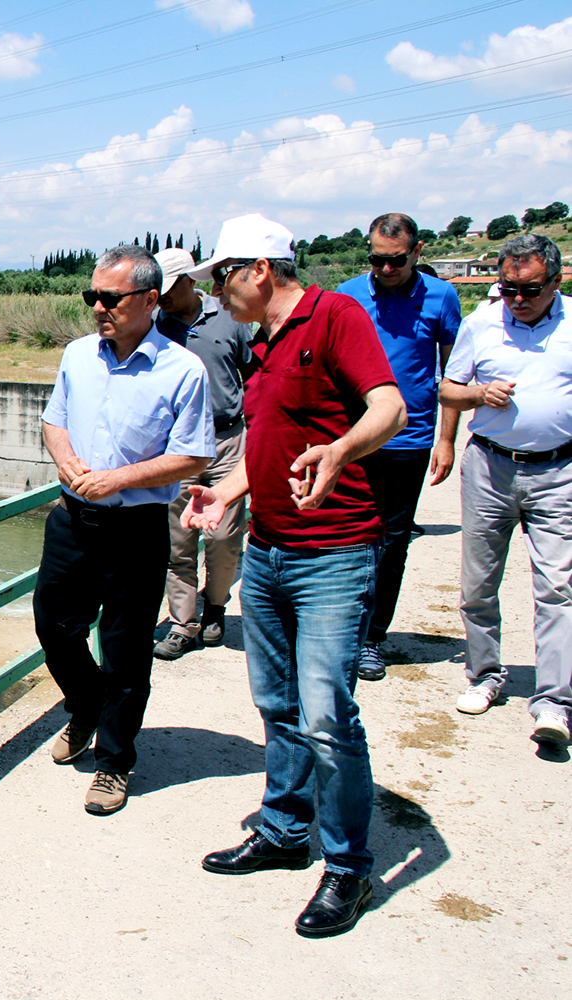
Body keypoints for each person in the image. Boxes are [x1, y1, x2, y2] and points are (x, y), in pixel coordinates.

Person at [182, 214, 406, 938]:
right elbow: (271, 441)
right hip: (272, 551)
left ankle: (348, 867)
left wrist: (341, 451)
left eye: (220, 276)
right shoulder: (262, 343)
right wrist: (228, 493)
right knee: (276, 705)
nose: (213, 291)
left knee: (326, 717)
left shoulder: (333, 315)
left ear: (259, 270)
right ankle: (284, 833)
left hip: (334, 556)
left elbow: (391, 408)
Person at [35, 244, 213, 816]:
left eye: (110, 298)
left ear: (150, 299)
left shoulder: (183, 370)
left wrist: (118, 480)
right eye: (92, 296)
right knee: (54, 626)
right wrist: (65, 462)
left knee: (125, 650)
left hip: (135, 527)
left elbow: (192, 458)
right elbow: (53, 420)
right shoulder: (78, 355)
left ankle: (114, 762)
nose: (97, 308)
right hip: (71, 520)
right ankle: (86, 705)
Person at [438, 233, 571, 748]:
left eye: (530, 290)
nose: (517, 299)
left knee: (558, 588)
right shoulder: (481, 325)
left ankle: (555, 702)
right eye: (508, 288)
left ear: (556, 282)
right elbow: (448, 388)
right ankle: (485, 674)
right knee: (478, 582)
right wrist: (476, 394)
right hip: (491, 467)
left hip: (559, 470)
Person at [337, 213, 462, 680]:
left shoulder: (442, 297)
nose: (385, 270)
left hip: (409, 439)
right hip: (351, 438)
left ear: (417, 252)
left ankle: (372, 638)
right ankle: (338, 629)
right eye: (377, 260)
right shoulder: (346, 295)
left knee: (391, 542)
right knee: (345, 534)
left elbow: (454, 374)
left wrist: (446, 439)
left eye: (395, 261)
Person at [151, 246, 254, 660]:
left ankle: (216, 605)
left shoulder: (230, 318)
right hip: (179, 444)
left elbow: (253, 374)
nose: (163, 298)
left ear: (190, 281)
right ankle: (183, 623)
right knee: (179, 542)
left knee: (225, 537)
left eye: (170, 289)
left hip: (228, 438)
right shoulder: (155, 325)